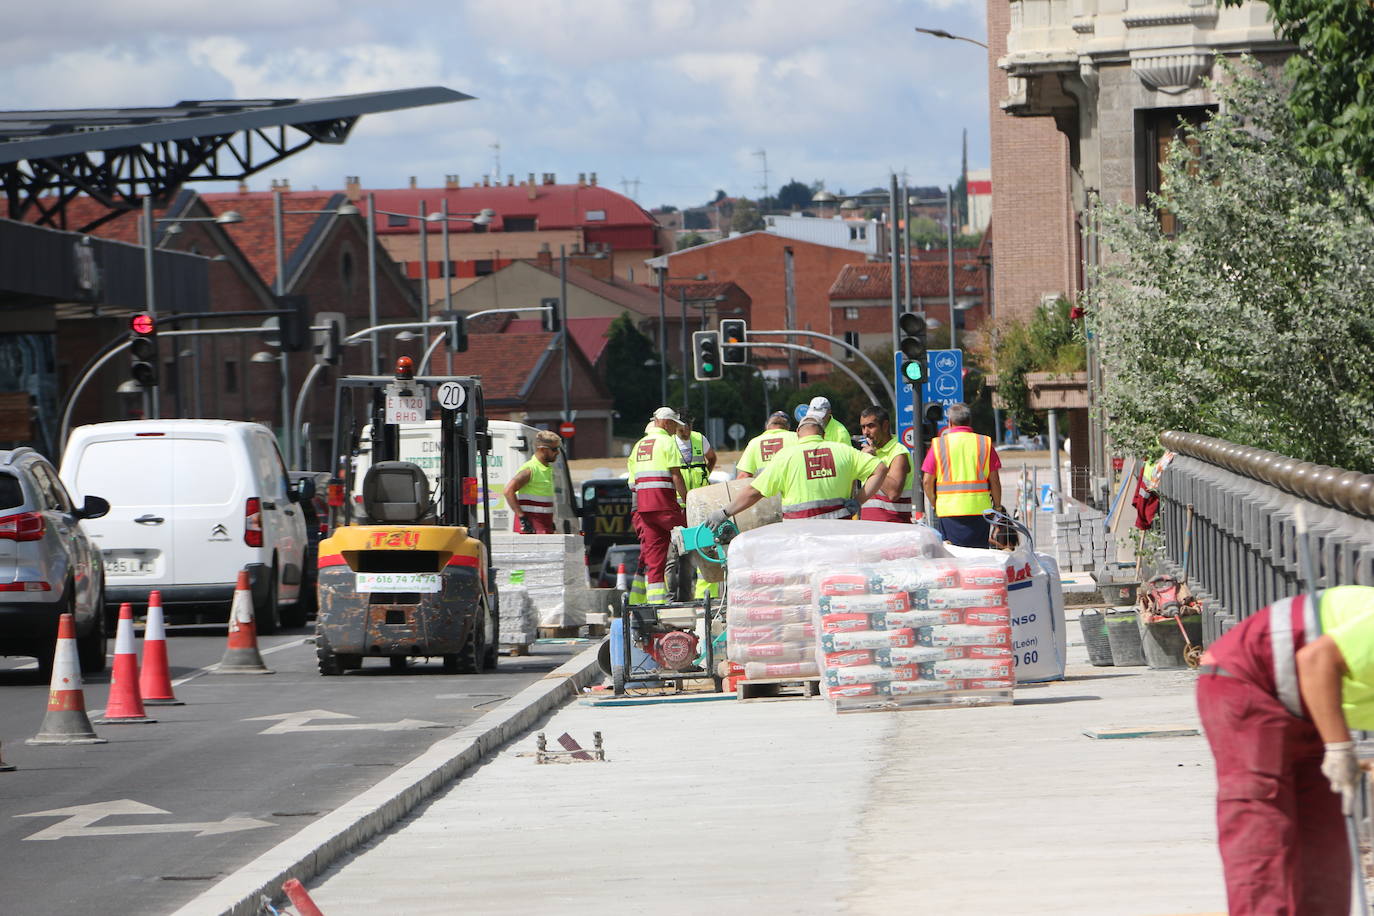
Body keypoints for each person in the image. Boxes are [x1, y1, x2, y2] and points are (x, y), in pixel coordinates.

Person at [1196, 586, 1374, 914]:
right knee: (1265, 831)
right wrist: (1339, 748)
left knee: (1324, 844)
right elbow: (1315, 659)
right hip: (1248, 682)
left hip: (1308, 707)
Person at [706, 411, 886, 526]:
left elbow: (753, 491)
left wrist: (724, 512)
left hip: (799, 537)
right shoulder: (844, 451)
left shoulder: (785, 457)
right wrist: (858, 501)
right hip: (838, 534)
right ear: (823, 434)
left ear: (798, 433)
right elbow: (881, 469)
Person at [627, 407, 688, 605]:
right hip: (665, 506)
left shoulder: (639, 445)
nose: (675, 430)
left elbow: (632, 484)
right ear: (667, 422)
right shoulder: (667, 442)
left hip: (645, 510)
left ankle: (655, 606)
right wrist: (688, 501)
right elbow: (676, 475)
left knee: (654, 561)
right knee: (698, 537)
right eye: (674, 425)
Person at [921, 402, 1002, 547]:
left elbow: (927, 481)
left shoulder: (939, 445)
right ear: (969, 421)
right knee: (978, 555)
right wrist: (997, 507)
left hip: (949, 512)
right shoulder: (984, 443)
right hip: (979, 511)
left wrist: (935, 504)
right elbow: (994, 480)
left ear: (950, 422)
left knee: (953, 557)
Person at [857, 406, 912, 523]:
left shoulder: (898, 452)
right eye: (863, 427)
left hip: (893, 528)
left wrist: (872, 461)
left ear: (885, 426)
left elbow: (893, 493)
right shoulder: (867, 453)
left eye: (871, 426)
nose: (865, 432)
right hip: (869, 527)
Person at [502, 430, 563, 533]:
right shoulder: (530, 469)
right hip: (532, 526)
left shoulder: (547, 469)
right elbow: (508, 491)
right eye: (554, 449)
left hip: (544, 524)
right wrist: (522, 518)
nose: (558, 452)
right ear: (543, 449)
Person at [735, 412, 797, 479]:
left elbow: (744, 475)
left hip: (764, 488)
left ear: (766, 425)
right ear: (788, 426)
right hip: (791, 488)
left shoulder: (754, 442)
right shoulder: (797, 437)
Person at [675, 416, 717, 492]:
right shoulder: (669, 441)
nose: (686, 433)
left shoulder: (699, 438)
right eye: (682, 430)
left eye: (689, 429)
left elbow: (712, 458)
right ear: (675, 426)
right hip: (678, 496)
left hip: (700, 492)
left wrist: (704, 475)